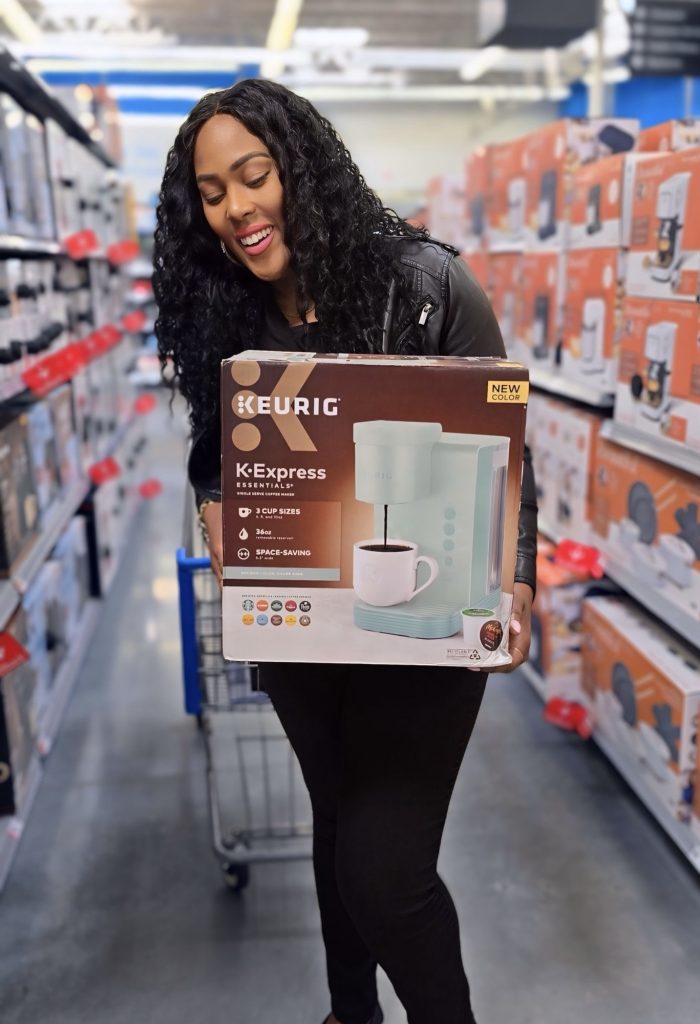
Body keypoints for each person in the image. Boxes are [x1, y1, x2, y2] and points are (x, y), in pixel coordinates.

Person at [154, 79, 537, 1024]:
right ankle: (349, 1013)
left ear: (302, 169)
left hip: (426, 625)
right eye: (214, 194)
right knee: (337, 825)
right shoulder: (226, 312)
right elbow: (213, 453)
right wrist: (214, 507)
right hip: (303, 625)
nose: (239, 209)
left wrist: (518, 583)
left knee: (387, 873)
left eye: (255, 176)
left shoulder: (426, 285)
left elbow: (504, 449)